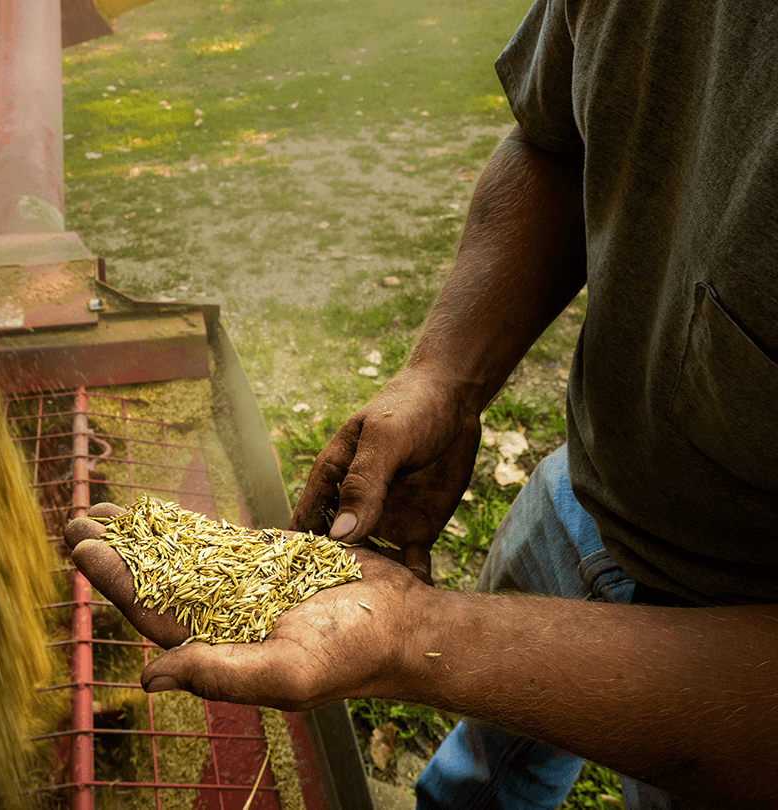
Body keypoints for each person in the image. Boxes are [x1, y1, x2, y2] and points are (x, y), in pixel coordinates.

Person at [63, 1, 778, 807]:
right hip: (590, 484)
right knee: (490, 757)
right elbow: (556, 140)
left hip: (733, 656)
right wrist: (444, 377)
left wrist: (419, 636)